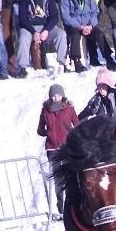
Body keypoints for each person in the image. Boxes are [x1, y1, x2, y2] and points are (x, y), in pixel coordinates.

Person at [37, 83, 79, 215]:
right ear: (50, 97)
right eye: (54, 96)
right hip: (52, 150)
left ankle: (73, 206)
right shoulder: (45, 110)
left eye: (59, 95)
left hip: (67, 148)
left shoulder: (68, 108)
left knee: (70, 177)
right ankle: (61, 208)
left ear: (63, 96)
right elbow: (39, 130)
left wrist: (71, 136)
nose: (56, 98)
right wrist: (49, 133)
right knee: (58, 181)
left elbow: (77, 125)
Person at [16, 0, 69, 78]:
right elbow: (22, 19)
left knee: (61, 34)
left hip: (46, 26)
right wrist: (33, 32)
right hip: (30, 27)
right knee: (23, 38)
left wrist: (46, 30)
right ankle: (23, 67)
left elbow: (54, 17)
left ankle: (62, 63)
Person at [61, 0, 113, 73]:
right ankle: (76, 60)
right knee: (75, 35)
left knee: (99, 34)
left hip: (88, 25)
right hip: (74, 26)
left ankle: (108, 58)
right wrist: (80, 26)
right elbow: (65, 17)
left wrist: (91, 25)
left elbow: (95, 12)